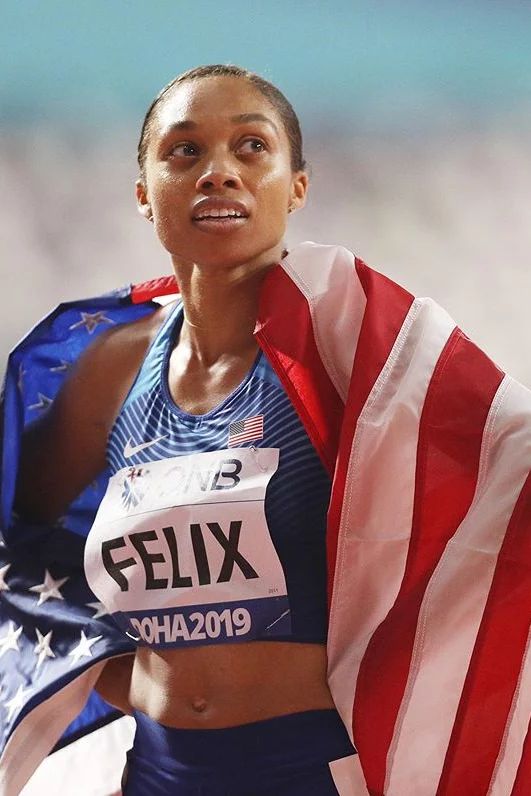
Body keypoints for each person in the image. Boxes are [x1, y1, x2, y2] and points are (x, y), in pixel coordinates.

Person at [3, 64, 530, 796]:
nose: (218, 172)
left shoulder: (361, 351)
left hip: (311, 772)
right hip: (155, 773)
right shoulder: (108, 370)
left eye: (251, 147)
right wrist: (128, 675)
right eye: (183, 151)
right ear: (142, 194)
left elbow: (514, 470)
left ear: (296, 186)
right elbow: (22, 548)